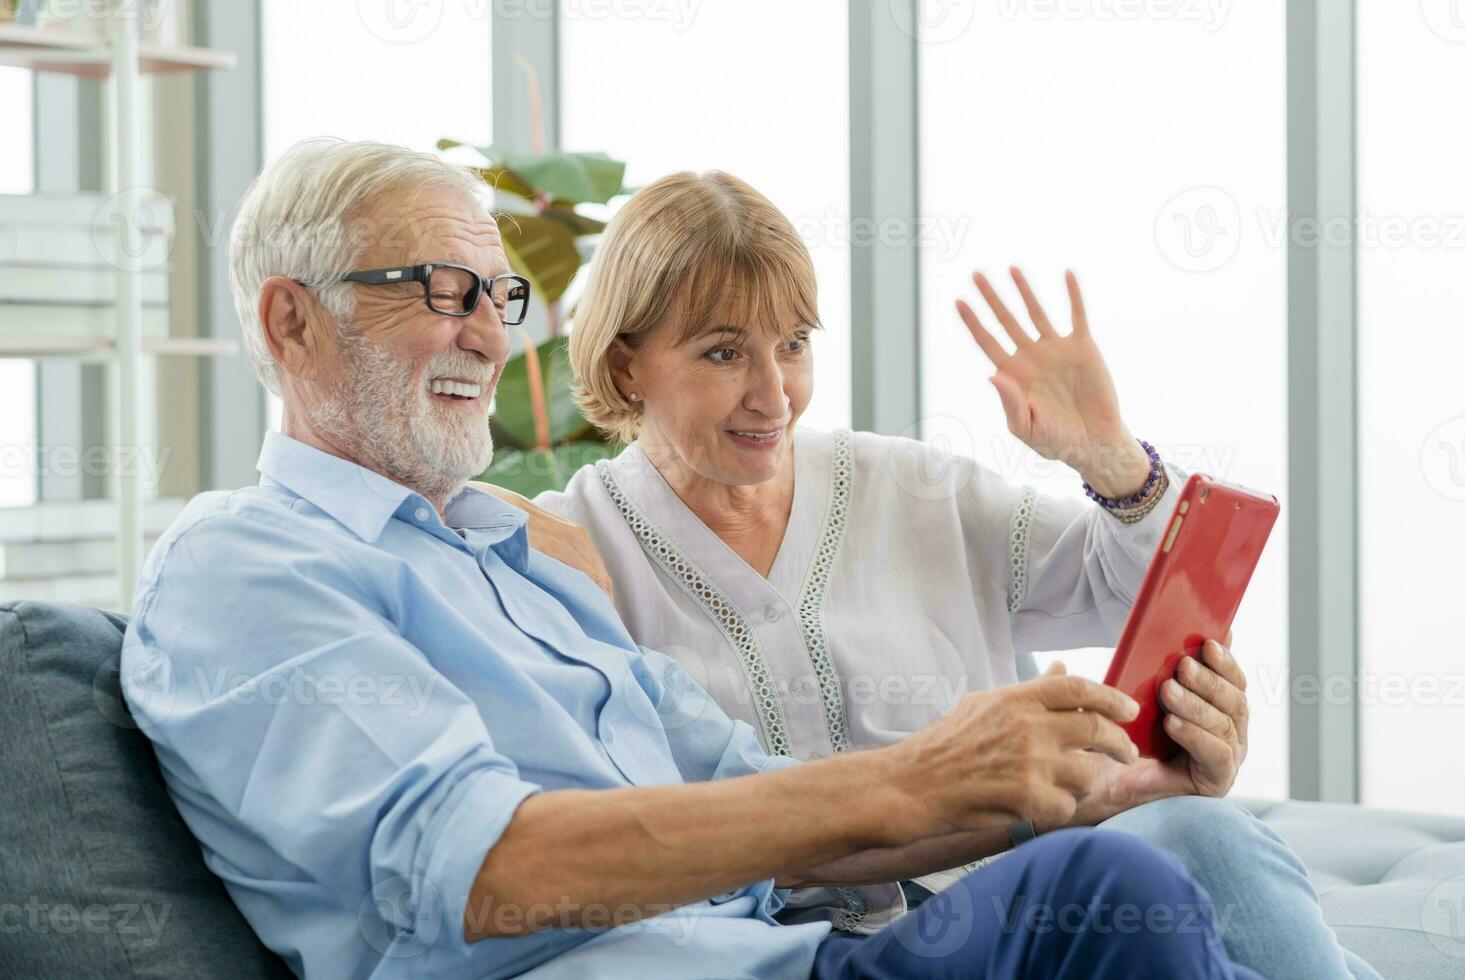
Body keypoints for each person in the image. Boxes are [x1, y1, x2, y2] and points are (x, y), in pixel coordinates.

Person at [120, 139, 1263, 980]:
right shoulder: (249, 565)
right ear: (290, 324)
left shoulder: (520, 559)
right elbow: (477, 869)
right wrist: (915, 771)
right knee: (1119, 891)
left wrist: (1071, 792)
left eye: (499, 295)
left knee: (1148, 857)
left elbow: (744, 793)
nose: (486, 330)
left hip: (776, 953)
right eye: (440, 290)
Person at [535, 170, 1376, 979]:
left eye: (793, 346)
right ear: (623, 368)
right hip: (784, 951)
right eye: (724, 354)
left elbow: (1122, 591)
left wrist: (1108, 456)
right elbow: (642, 847)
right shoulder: (570, 555)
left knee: (1200, 835)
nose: (774, 395)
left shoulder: (908, 488)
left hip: (1009, 908)